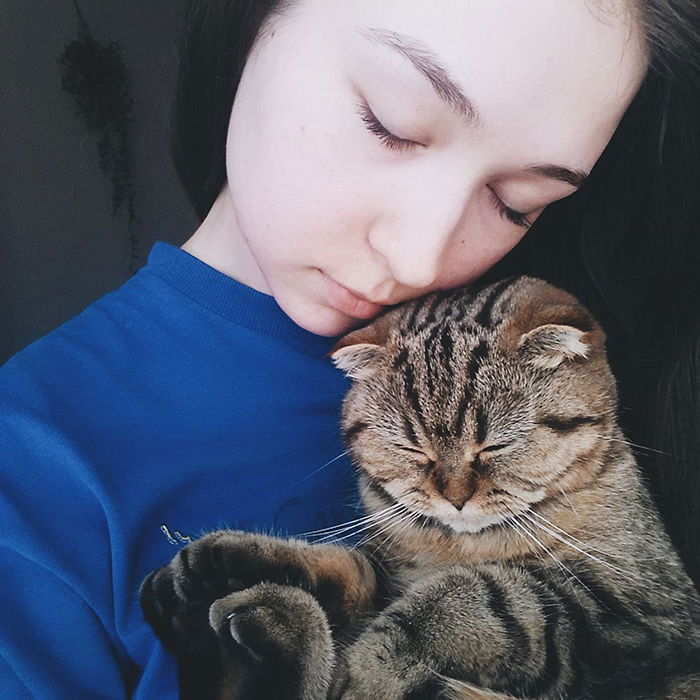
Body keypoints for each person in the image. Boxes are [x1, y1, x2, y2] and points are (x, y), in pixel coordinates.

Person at [0, 0, 698, 698]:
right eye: (389, 125)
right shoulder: (32, 463)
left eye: (517, 201)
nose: (420, 259)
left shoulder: (588, 360)